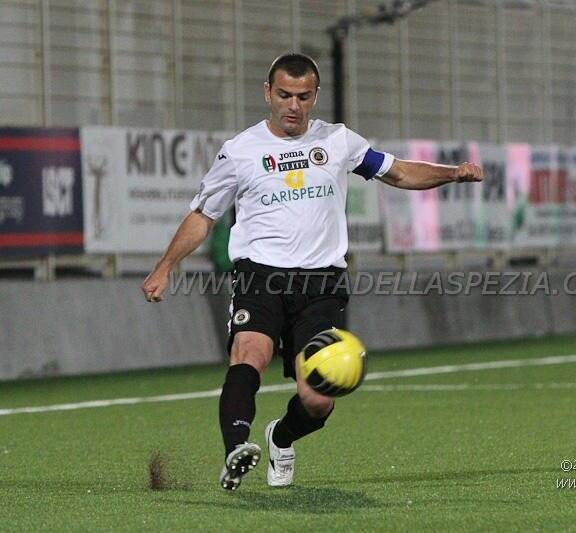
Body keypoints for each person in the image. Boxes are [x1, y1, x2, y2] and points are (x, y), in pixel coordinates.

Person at [140, 53, 483, 491]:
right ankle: (235, 451)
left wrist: (452, 173)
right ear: (268, 92)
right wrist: (165, 267)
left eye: (303, 97)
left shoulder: (338, 141)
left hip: (321, 284)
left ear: (315, 96)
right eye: (284, 94)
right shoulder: (241, 151)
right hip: (259, 276)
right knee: (249, 355)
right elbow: (203, 215)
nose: (293, 105)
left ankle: (280, 437)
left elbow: (397, 172)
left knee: (318, 400)